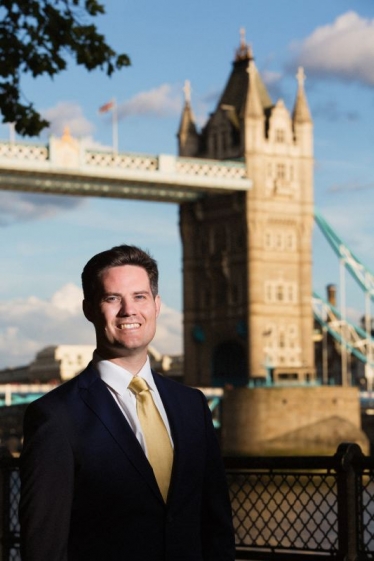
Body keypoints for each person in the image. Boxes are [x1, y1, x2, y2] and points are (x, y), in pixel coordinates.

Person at [19, 244, 235, 561]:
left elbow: (217, 525)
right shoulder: (56, 417)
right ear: (89, 309)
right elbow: (44, 546)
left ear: (157, 305)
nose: (128, 310)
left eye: (139, 297)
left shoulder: (192, 405)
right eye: (112, 298)